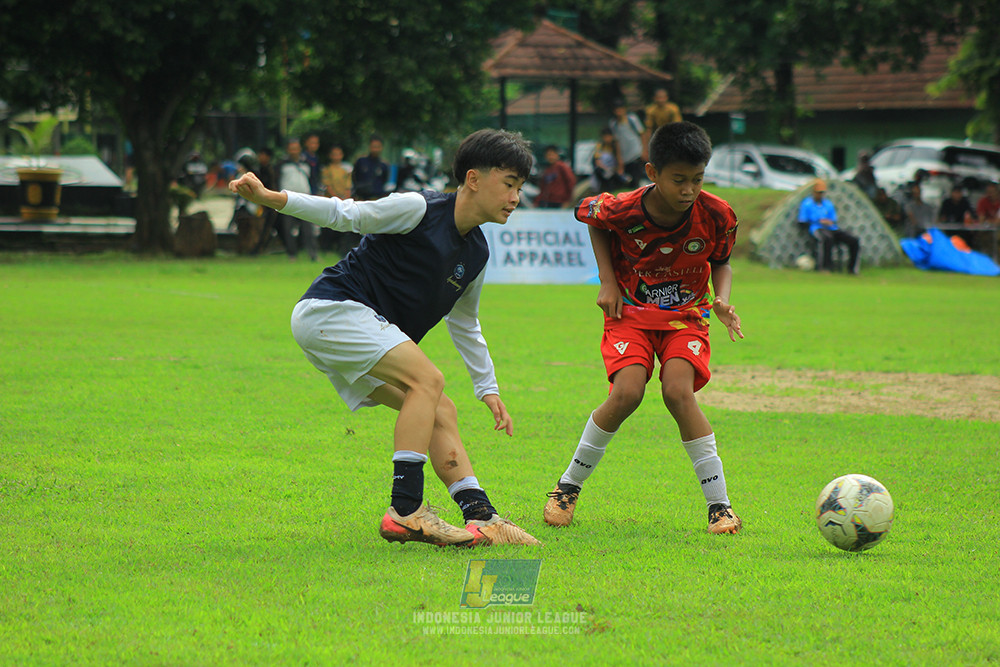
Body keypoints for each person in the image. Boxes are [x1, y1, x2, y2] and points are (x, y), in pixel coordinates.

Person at [228, 129, 541, 547]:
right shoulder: (419, 208)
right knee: (427, 381)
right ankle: (405, 509)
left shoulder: (477, 254)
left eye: (519, 188)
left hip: (349, 324)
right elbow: (345, 213)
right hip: (331, 309)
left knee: (440, 408)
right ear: (473, 179)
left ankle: (481, 516)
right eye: (509, 184)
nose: (515, 198)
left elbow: (465, 322)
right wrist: (272, 198)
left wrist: (488, 388)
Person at [542, 121, 745, 535]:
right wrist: (608, 281)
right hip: (630, 315)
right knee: (627, 393)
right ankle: (567, 488)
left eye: (697, 179)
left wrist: (722, 300)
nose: (689, 190)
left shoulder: (717, 214)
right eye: (679, 180)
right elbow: (591, 215)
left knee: (678, 393)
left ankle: (720, 507)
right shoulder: (624, 208)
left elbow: (721, 261)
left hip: (686, 316)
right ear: (652, 172)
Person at [797, 179, 861, 274]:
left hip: (831, 228)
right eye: (818, 192)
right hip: (816, 228)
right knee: (826, 238)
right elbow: (802, 221)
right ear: (813, 192)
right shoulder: (807, 204)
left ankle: (852, 269)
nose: (820, 195)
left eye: (822, 192)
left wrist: (828, 222)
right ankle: (825, 267)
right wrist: (818, 221)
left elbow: (833, 219)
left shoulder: (828, 204)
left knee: (854, 240)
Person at [276, 137, 319, 261]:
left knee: (308, 229)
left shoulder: (306, 163)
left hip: (305, 199)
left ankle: (312, 254)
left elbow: (313, 180)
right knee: (288, 228)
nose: (294, 151)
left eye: (296, 148)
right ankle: (292, 254)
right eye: (291, 149)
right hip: (287, 199)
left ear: (300, 149)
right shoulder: (282, 164)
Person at [320, 144, 354, 255]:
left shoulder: (346, 170)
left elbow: (348, 186)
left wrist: (346, 199)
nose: (336, 157)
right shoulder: (327, 170)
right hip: (331, 201)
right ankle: (327, 248)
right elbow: (328, 186)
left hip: (344, 200)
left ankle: (342, 248)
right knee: (329, 224)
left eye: (338, 154)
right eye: (334, 154)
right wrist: (336, 198)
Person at [609, 99, 647, 187]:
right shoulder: (613, 124)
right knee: (629, 181)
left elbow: (642, 134)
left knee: (638, 178)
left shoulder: (632, 119)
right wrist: (619, 159)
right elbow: (616, 142)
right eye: (616, 109)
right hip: (625, 156)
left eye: (620, 109)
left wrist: (644, 150)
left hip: (636, 153)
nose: (619, 112)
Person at [641, 88, 682, 160]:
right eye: (658, 98)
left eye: (662, 98)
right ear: (654, 98)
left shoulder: (673, 109)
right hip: (658, 137)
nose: (660, 100)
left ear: (666, 98)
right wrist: (646, 148)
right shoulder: (650, 110)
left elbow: (677, 127)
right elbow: (649, 129)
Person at [352, 134, 391, 201]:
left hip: (377, 199)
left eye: (378, 147)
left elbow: (385, 180)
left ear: (381, 148)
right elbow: (354, 177)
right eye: (374, 147)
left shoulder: (384, 165)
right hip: (361, 198)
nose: (375, 149)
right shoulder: (361, 161)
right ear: (370, 147)